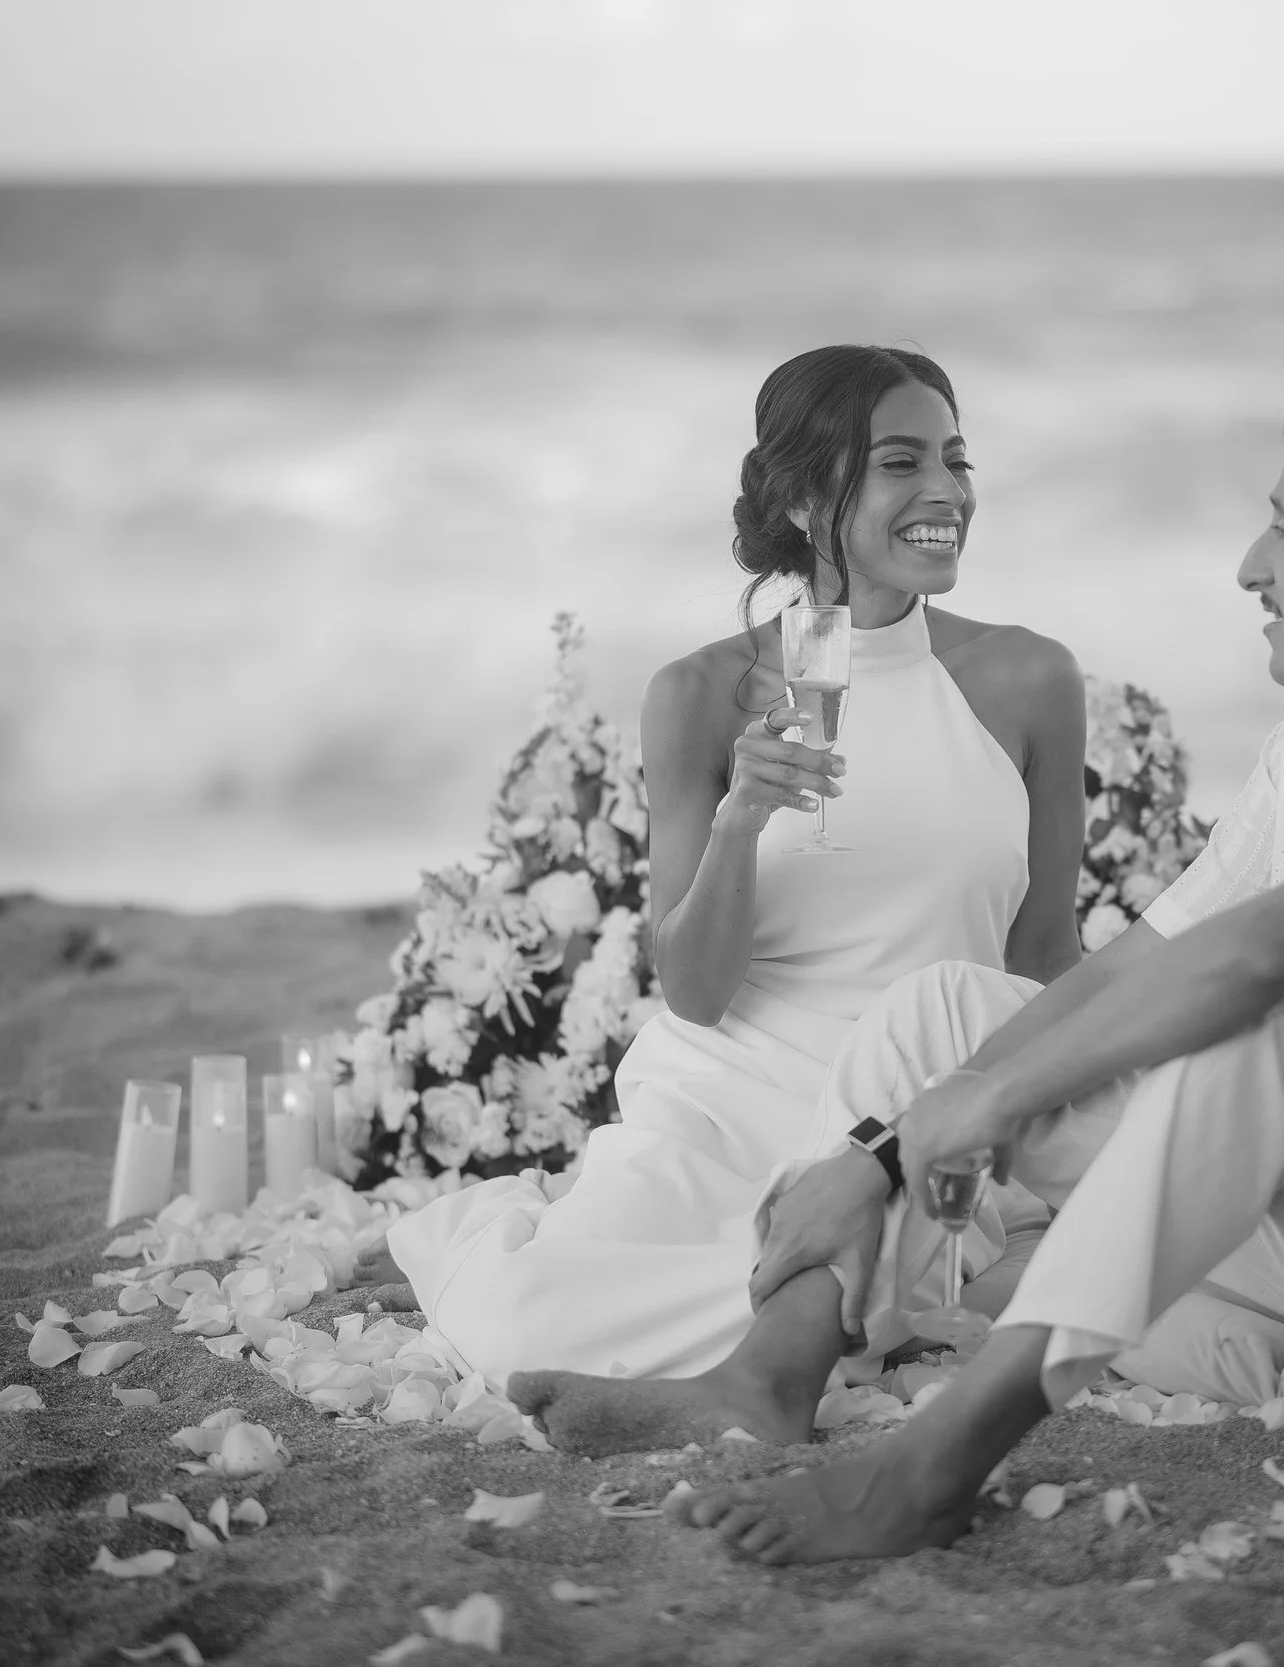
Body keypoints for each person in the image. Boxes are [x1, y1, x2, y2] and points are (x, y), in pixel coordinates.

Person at [517, 382, 1284, 1564]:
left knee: (1266, 1035)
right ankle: (773, 1369)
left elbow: (1257, 960)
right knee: (944, 1008)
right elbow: (1140, 958)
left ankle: (928, 1464)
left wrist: (971, 1112)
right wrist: (880, 1148)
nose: (1253, 563)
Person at [375, 345, 1085, 1414]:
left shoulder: (1027, 678)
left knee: (891, 1271)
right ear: (804, 500)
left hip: (921, 1094)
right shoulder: (702, 692)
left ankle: (808, 1337)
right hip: (723, 1092)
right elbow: (698, 992)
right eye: (900, 464)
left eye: (954, 459)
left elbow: (1040, 961)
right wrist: (740, 819)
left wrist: (1039, 1120)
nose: (944, 492)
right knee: (534, 1322)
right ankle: (824, 1321)